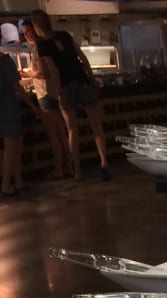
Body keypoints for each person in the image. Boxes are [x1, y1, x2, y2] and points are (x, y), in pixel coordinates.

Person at [29, 8, 110, 181]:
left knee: (72, 130)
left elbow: (54, 70)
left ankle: (77, 171)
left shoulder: (42, 46)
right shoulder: (65, 35)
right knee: (96, 127)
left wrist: (59, 92)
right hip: (82, 81)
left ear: (36, 26)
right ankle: (104, 162)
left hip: (66, 87)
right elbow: (82, 57)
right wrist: (92, 78)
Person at [0, 18, 41, 196]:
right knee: (12, 148)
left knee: (14, 144)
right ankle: (6, 185)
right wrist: (33, 106)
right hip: (8, 106)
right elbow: (17, 87)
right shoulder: (4, 60)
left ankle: (18, 181)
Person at [21, 19, 72, 179]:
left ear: (36, 30)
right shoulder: (45, 46)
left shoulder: (39, 48)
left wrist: (26, 73)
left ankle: (59, 168)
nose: (26, 36)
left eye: (28, 31)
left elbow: (43, 73)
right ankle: (69, 165)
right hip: (54, 92)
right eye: (24, 33)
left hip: (45, 94)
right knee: (61, 132)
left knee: (53, 134)